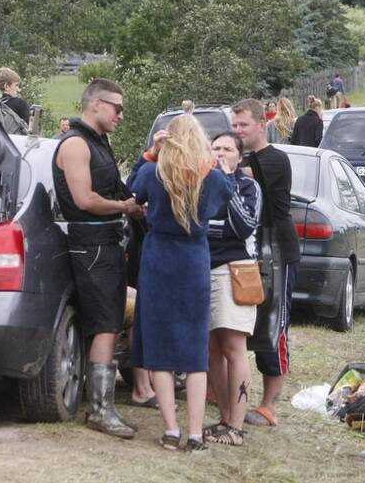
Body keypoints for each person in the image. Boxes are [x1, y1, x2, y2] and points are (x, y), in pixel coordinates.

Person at [128, 114, 236, 452]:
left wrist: (150, 152)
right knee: (194, 348)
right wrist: (218, 165)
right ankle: (193, 432)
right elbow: (226, 198)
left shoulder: (153, 172)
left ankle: (171, 429)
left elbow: (132, 187)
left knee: (158, 346)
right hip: (193, 260)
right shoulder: (211, 178)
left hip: (158, 257)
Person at [53, 78, 145, 439]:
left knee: (109, 322)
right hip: (90, 244)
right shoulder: (75, 144)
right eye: (117, 108)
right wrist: (124, 207)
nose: (121, 115)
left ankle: (102, 407)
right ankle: (100, 411)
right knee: (105, 325)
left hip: (108, 241)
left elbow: (109, 189)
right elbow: (84, 200)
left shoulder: (98, 141)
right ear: (96, 105)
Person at [232, 100, 299, 429]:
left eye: (243, 125)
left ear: (262, 124)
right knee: (239, 323)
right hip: (246, 249)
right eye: (235, 126)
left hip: (278, 250)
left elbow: (241, 175)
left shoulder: (275, 159)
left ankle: (270, 404)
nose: (238, 131)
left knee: (274, 326)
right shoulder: (237, 157)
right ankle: (230, 393)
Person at [204, 132, 262, 448]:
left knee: (233, 347)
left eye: (228, 148)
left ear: (239, 156)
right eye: (216, 148)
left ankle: (237, 428)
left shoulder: (246, 186)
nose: (221, 153)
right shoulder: (201, 182)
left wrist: (227, 183)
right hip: (202, 270)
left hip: (233, 271)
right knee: (212, 349)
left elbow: (244, 227)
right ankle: (225, 419)